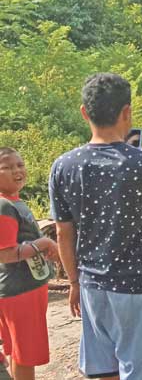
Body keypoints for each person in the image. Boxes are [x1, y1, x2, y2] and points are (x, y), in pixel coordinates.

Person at [49, 73, 142, 380]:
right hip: (137, 286)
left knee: (103, 370)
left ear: (84, 112)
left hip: (92, 287)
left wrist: (73, 283)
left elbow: (62, 233)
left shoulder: (64, 165)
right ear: (127, 112)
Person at [0, 147, 59, 380]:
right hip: (20, 290)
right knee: (24, 353)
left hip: (21, 288)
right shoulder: (4, 206)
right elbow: (5, 253)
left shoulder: (13, 202)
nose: (17, 170)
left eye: (19, 164)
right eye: (7, 167)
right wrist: (43, 243)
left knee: (17, 351)